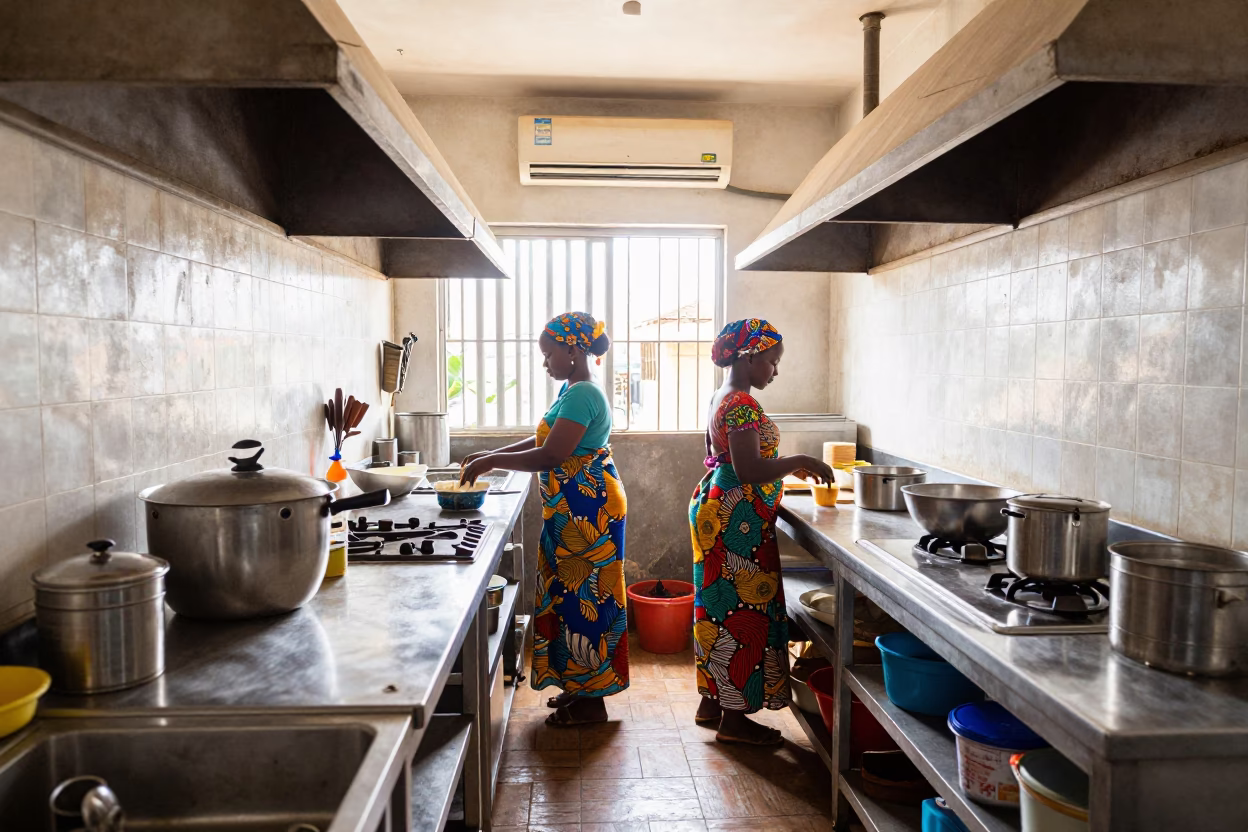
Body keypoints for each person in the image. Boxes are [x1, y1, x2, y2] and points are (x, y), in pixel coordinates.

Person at [460, 312, 628, 727]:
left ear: (572, 350)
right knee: (570, 597)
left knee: (586, 599)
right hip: (574, 507)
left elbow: (552, 456)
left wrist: (494, 460)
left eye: (548, 353)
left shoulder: (583, 394)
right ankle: (578, 688)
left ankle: (593, 702)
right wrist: (490, 456)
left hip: (588, 511)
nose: (545, 363)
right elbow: (545, 440)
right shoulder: (572, 390)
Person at [689, 318, 835, 745]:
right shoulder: (742, 404)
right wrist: (798, 460)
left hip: (721, 509)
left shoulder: (723, 395)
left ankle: (713, 701)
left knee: (719, 606)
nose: (775, 370)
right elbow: (748, 468)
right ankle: (734, 723)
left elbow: (721, 458)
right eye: (772, 361)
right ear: (750, 356)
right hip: (738, 522)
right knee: (742, 614)